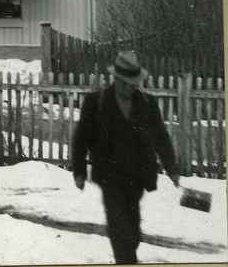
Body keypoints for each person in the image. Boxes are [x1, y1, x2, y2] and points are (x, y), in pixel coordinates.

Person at [72, 51, 181, 264]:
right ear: (116, 79)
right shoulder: (98, 101)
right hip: (109, 177)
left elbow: (161, 137)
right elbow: (81, 137)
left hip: (137, 178)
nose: (129, 88)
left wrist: (172, 170)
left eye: (133, 84)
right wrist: (79, 171)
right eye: (125, 84)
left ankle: (127, 257)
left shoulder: (147, 103)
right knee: (119, 227)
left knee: (133, 231)